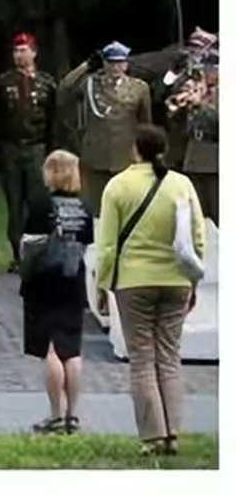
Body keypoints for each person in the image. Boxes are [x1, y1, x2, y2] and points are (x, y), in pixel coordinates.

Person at [95, 124, 207, 456]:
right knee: (170, 357)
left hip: (133, 282)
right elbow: (197, 238)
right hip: (176, 281)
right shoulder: (182, 184)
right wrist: (194, 280)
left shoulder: (118, 186)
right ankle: (173, 432)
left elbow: (107, 246)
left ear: (135, 150)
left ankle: (152, 435)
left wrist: (103, 284)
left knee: (142, 359)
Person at [18, 149, 92, 434]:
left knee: (50, 349)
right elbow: (87, 243)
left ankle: (55, 414)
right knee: (71, 350)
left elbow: (28, 243)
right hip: (73, 281)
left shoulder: (41, 204)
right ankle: (73, 415)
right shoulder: (84, 206)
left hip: (43, 281)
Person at [0, 32, 59, 272]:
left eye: (24, 50)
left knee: (38, 203)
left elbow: (54, 121)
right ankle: (18, 255)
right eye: (16, 51)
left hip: (37, 148)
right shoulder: (4, 83)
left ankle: (39, 252)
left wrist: (52, 152)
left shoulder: (47, 83)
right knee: (14, 203)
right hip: (10, 150)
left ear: (34, 52)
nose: (19, 55)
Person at [61, 42, 152, 215]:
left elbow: (145, 123)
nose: (115, 67)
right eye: (111, 62)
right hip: (96, 156)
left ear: (126, 64)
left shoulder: (139, 88)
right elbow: (66, 87)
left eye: (120, 62)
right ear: (104, 63)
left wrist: (144, 154)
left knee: (127, 209)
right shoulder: (90, 84)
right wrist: (85, 66)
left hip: (125, 157)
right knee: (95, 209)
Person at [163, 51, 218, 225]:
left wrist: (200, 105)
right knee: (194, 214)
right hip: (193, 157)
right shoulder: (195, 87)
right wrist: (180, 107)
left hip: (215, 160)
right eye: (205, 68)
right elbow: (177, 126)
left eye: (211, 69)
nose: (206, 73)